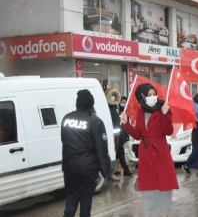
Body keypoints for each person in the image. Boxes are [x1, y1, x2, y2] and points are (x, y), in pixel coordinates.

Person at [121, 83, 178, 217]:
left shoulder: (162, 108)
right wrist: (126, 124)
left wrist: (165, 115)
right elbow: (137, 135)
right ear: (142, 97)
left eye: (154, 94)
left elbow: (168, 131)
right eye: (149, 95)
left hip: (160, 153)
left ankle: (164, 214)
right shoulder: (140, 112)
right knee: (149, 189)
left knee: (164, 187)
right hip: (146, 155)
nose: (153, 97)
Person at [61, 89, 112, 217]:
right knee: (85, 198)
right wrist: (106, 171)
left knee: (71, 195)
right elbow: (101, 149)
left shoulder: (66, 118)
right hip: (88, 168)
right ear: (91, 104)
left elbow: (65, 141)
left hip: (69, 166)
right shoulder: (95, 121)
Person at [106, 89, 132, 179]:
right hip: (113, 134)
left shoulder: (115, 107)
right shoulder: (107, 108)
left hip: (118, 134)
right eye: (111, 96)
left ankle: (117, 169)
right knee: (118, 152)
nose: (113, 98)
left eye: (115, 96)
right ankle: (123, 169)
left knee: (119, 151)